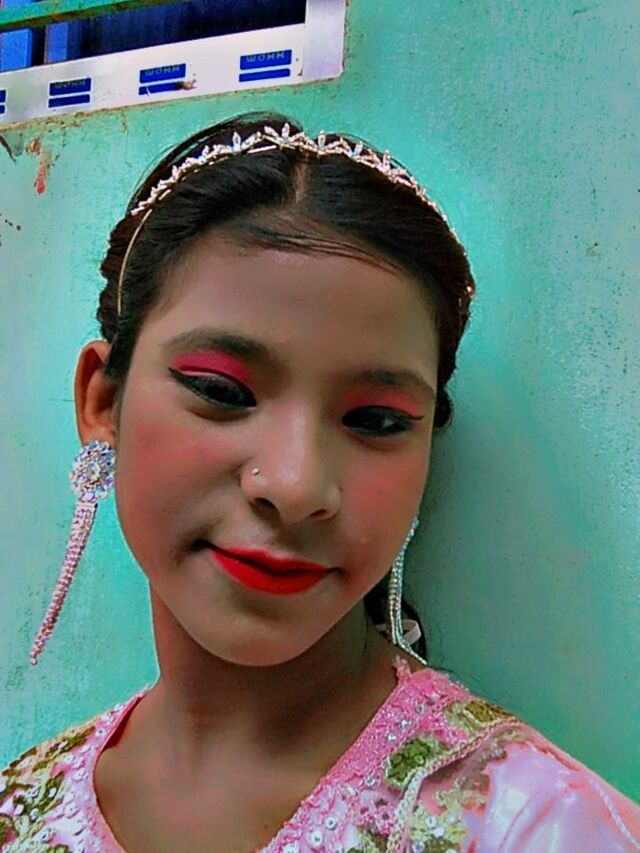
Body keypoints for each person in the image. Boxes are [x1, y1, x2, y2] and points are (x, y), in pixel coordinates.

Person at [1, 111, 638, 853]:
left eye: (374, 420)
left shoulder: (537, 827)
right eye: (222, 391)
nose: (296, 484)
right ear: (103, 401)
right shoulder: (20, 808)